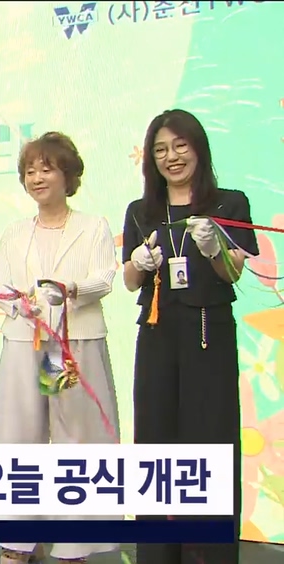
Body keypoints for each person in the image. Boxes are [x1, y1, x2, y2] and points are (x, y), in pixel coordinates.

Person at [122, 109, 255, 564]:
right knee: (155, 442)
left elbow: (233, 273)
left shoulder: (229, 203)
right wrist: (138, 263)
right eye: (160, 149)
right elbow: (130, 282)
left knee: (210, 441)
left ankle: (208, 554)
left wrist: (215, 248)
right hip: (157, 335)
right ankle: (157, 553)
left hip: (207, 335)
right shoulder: (140, 211)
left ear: (198, 148)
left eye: (180, 145)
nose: (171, 157)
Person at [0, 132, 121, 564]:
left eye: (46, 169)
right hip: (23, 342)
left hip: (78, 342)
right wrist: (18, 303)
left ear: (68, 175)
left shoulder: (94, 226)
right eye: (30, 171)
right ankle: (17, 541)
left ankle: (73, 544)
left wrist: (69, 290)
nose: (37, 178)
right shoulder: (15, 232)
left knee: (78, 440)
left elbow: (105, 278)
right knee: (16, 437)